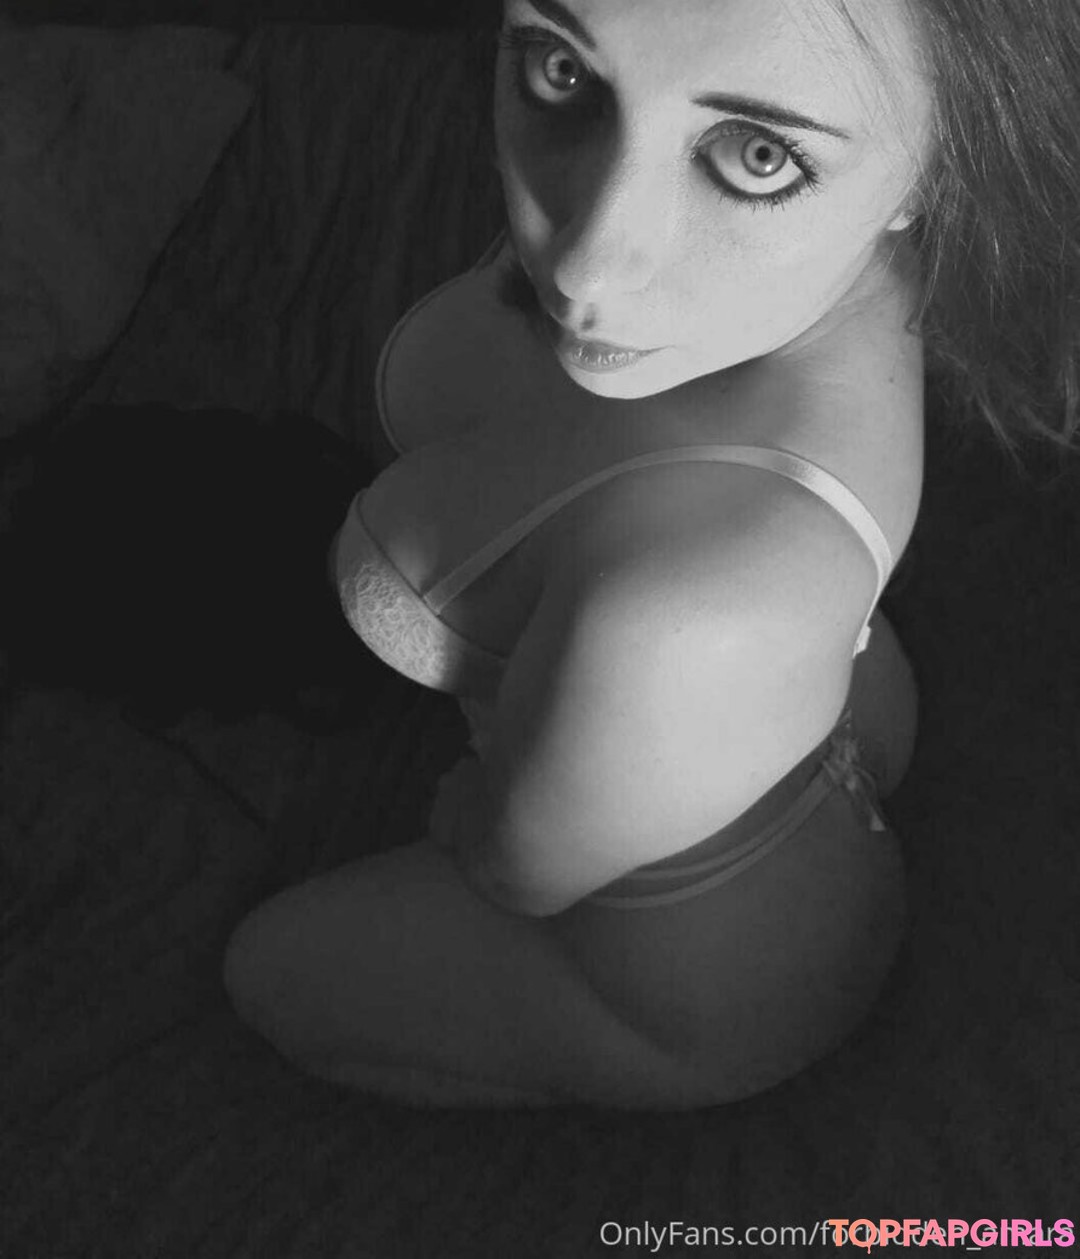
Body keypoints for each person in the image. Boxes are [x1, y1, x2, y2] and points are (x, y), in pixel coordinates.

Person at [223, 0, 1080, 1108]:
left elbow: (519, 872)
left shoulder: (687, 615)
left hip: (694, 976)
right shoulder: (868, 244)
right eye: (559, 68)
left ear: (939, 167)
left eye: (758, 157)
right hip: (825, 708)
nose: (586, 265)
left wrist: (471, 815)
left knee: (266, 972)